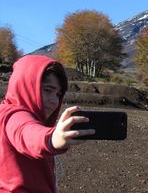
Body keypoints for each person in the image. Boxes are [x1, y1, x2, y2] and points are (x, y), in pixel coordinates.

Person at [0, 55, 94, 193]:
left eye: (58, 94)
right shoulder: (12, 115)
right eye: (48, 90)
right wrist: (51, 139)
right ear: (26, 84)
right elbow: (26, 132)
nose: (54, 101)